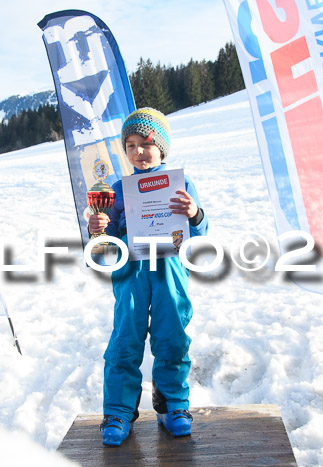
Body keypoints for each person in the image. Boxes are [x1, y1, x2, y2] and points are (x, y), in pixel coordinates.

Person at [88, 108, 209, 446]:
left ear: (162, 148)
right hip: (131, 270)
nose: (138, 152)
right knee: (126, 338)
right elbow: (104, 241)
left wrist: (194, 213)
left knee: (172, 336)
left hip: (170, 269)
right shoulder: (117, 189)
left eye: (145, 144)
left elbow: (200, 233)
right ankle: (118, 411)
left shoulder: (181, 183)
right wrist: (97, 229)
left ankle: (173, 407)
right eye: (130, 146)